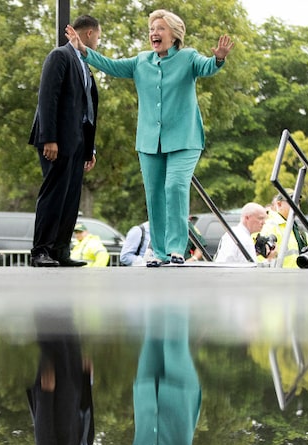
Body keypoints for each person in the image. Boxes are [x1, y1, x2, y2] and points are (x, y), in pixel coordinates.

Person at [67, 10, 233, 267]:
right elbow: (110, 65)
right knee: (155, 194)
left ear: (174, 34)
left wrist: (218, 59)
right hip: (149, 141)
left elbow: (207, 66)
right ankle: (159, 251)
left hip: (184, 139)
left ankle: (178, 248)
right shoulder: (141, 61)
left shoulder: (188, 57)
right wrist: (84, 50)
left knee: (175, 187)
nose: (154, 33)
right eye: (151, 29)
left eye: (160, 28)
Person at [60, 306, 227, 445]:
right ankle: (178, 283)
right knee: (175, 340)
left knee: (152, 332)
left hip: (146, 388)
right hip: (181, 390)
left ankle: (156, 282)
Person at [28, 15, 100, 268]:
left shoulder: (84, 64)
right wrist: (49, 138)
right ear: (89, 34)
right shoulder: (60, 56)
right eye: (99, 38)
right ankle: (41, 250)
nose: (98, 43)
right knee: (55, 193)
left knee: (71, 196)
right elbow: (48, 98)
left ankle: (60, 250)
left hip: (78, 141)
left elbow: (86, 107)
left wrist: (89, 147)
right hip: (56, 139)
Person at [26, 310, 96, 445]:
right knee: (68, 329)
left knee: (51, 334)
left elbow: (43, 433)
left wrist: (46, 395)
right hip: (74, 384)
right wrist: (86, 378)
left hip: (56, 389)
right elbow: (85, 418)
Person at [261, 189, 308, 268]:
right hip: (281, 277)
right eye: (292, 202)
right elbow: (264, 258)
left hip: (299, 277)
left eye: (298, 202)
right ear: (279, 204)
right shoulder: (270, 226)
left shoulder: (298, 228)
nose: (297, 205)